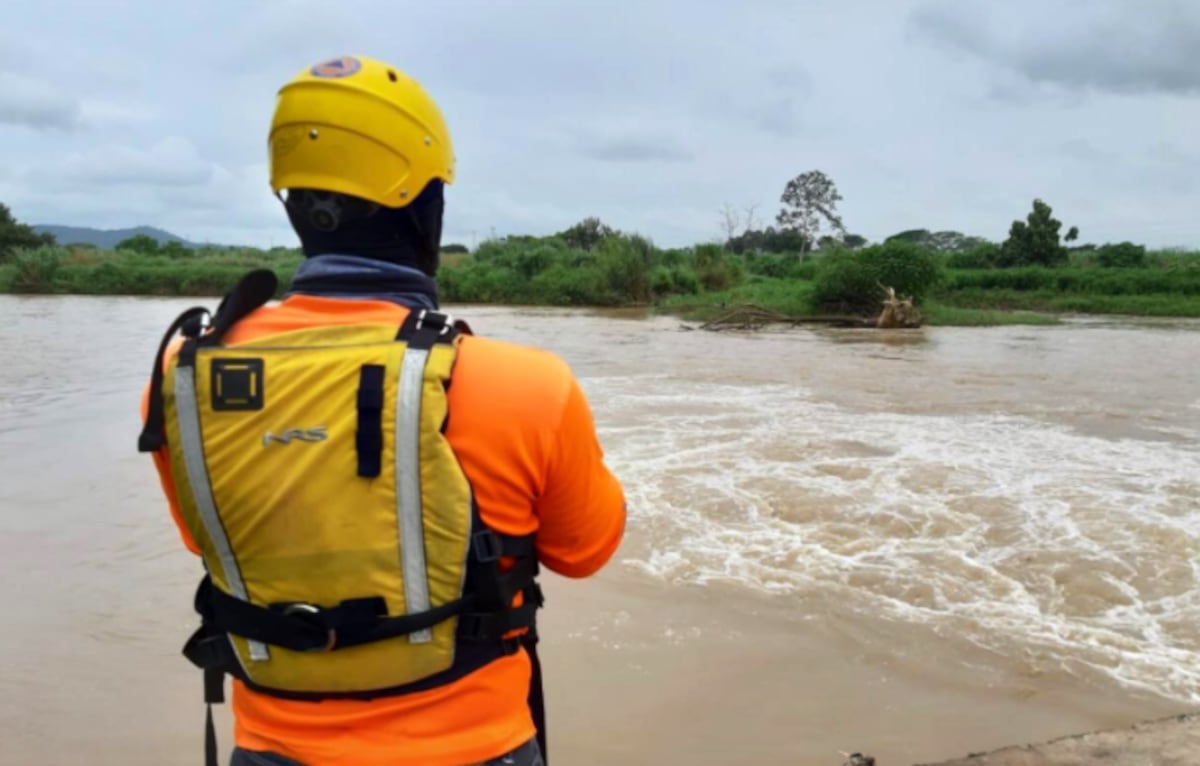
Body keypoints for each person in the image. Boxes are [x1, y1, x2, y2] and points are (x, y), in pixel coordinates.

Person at [137, 54, 627, 766]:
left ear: (297, 207)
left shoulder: (183, 377)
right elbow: (587, 551)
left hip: (270, 747)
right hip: (478, 747)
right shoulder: (526, 385)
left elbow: (208, 539)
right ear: (428, 209)